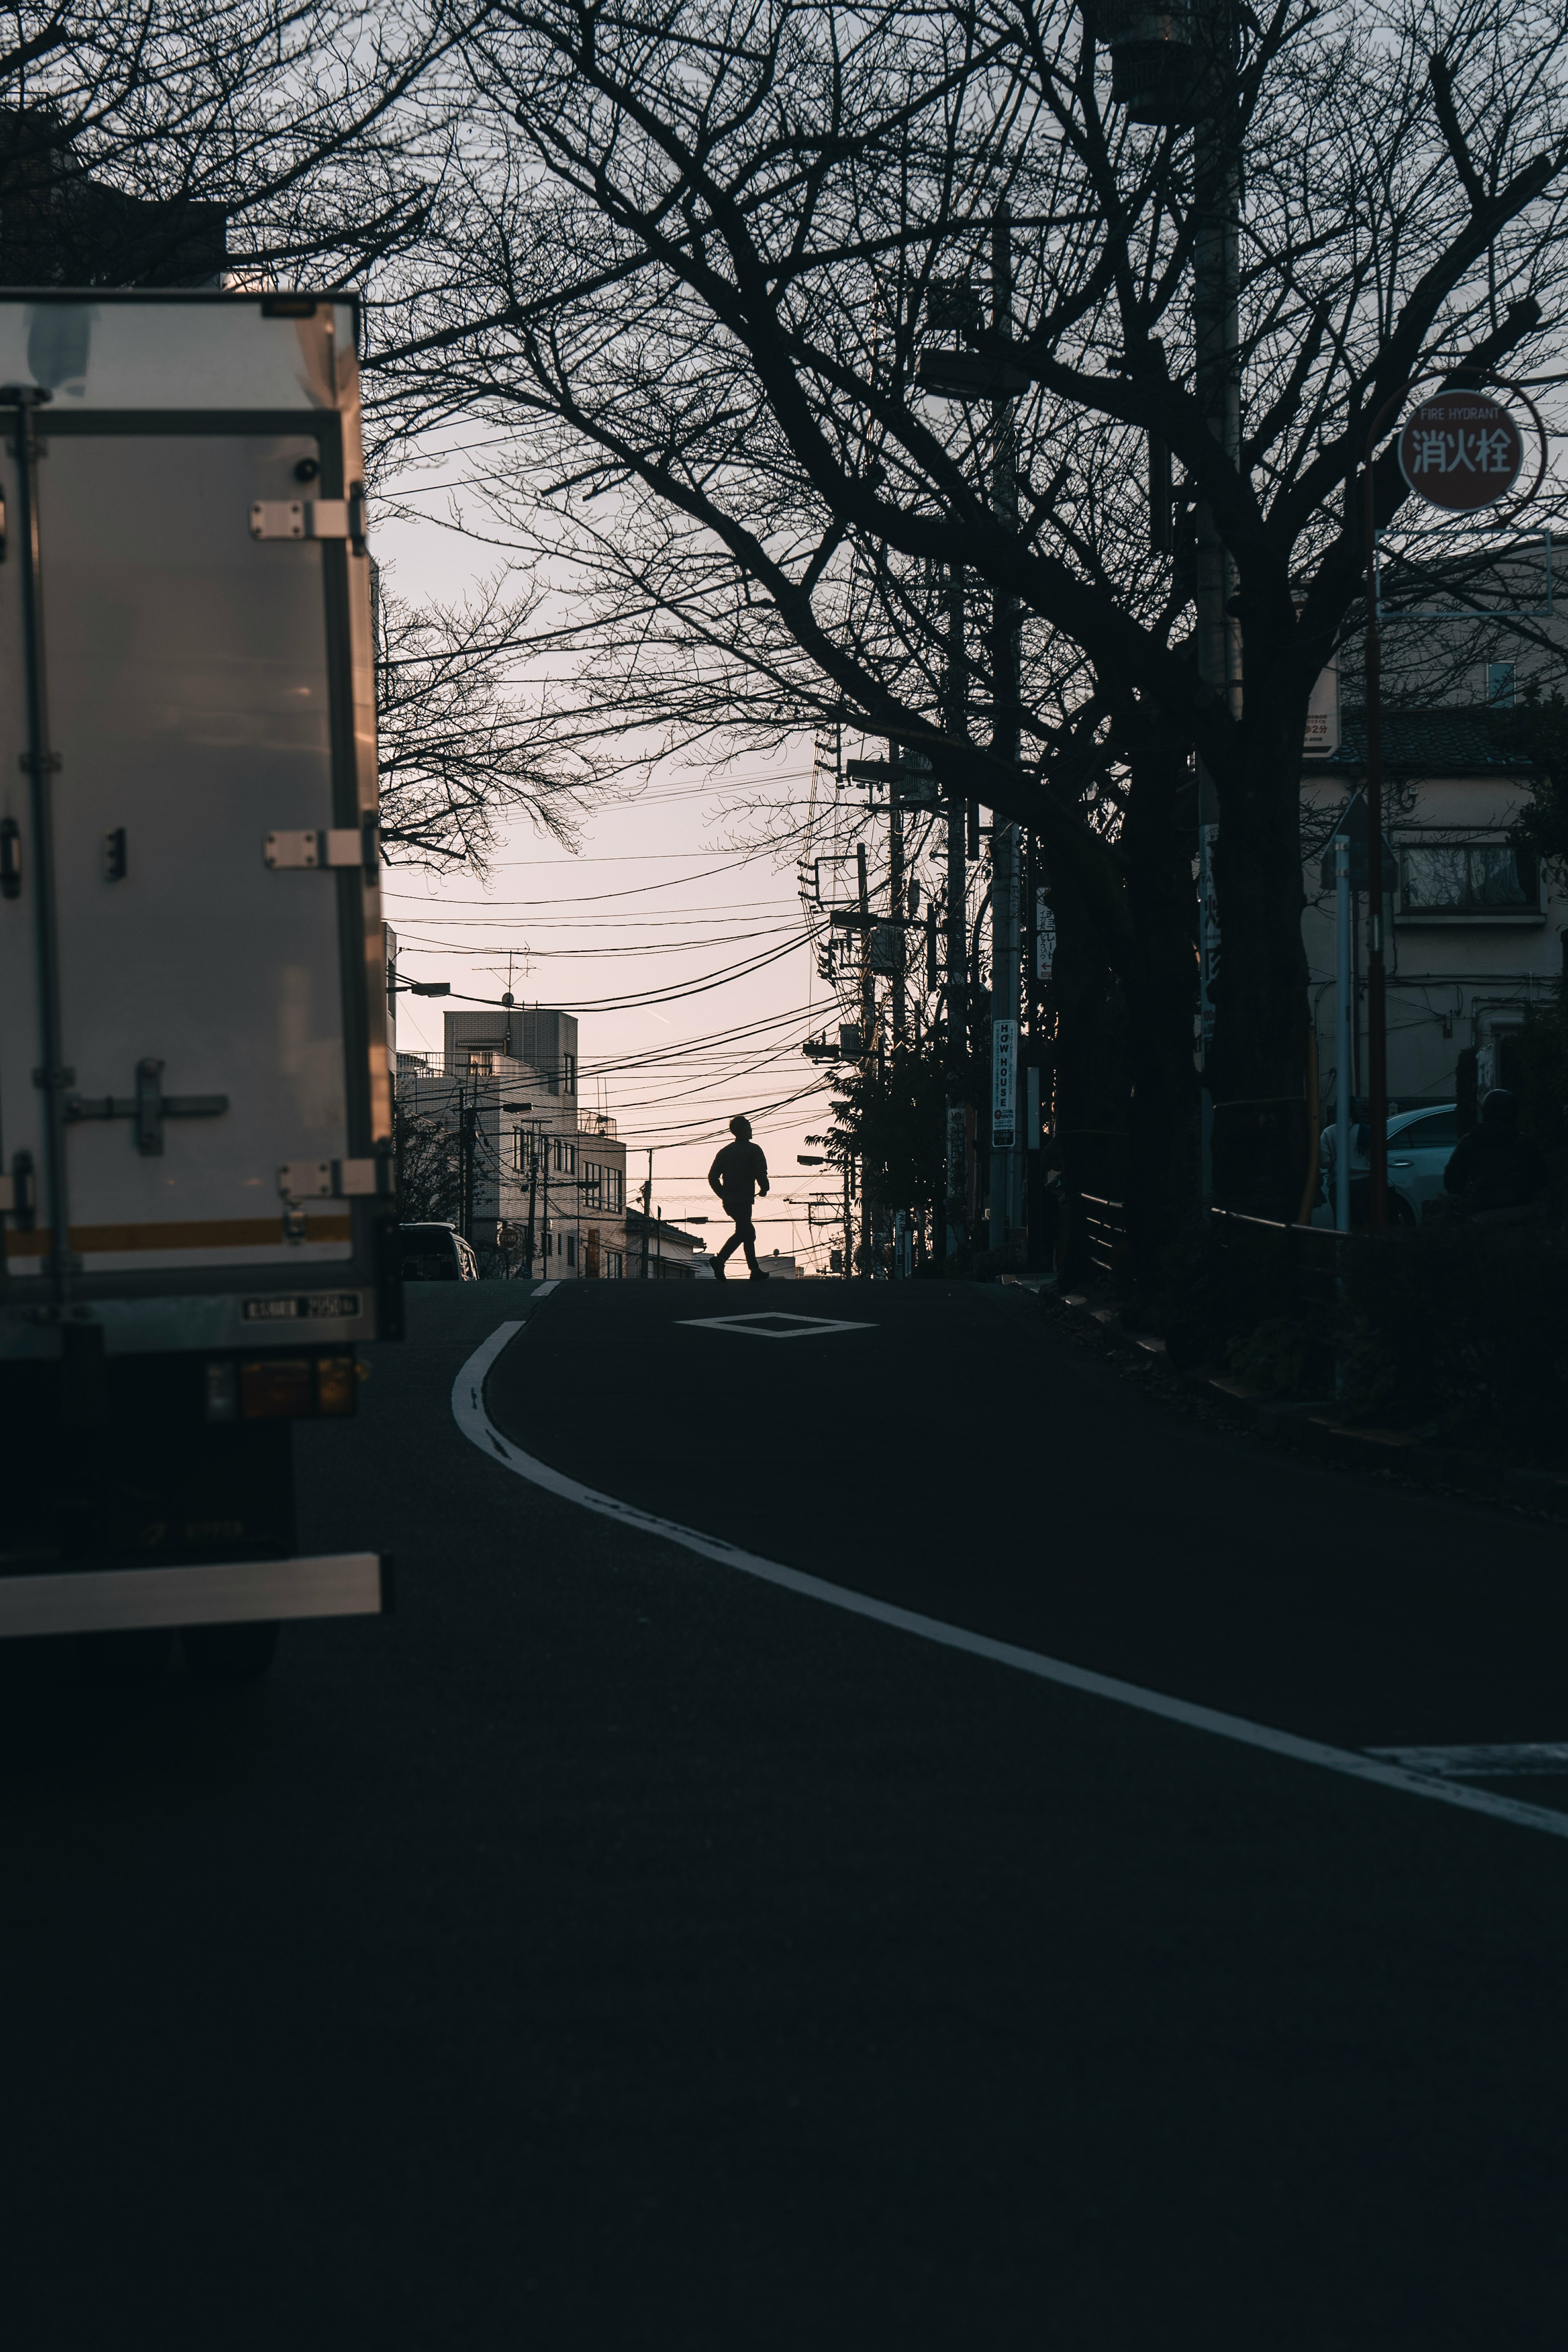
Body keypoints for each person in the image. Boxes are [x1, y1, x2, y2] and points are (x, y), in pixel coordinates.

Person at [1442, 1088, 1548, 1221]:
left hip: (1484, 1212)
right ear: (1514, 1112)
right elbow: (1542, 1176)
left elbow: (1453, 1178)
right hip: (1522, 1210)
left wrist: (1463, 1194)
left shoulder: (1468, 1142)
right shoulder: (1525, 1142)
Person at [708, 1115, 770, 1280]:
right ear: (744, 1130)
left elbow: (712, 1176)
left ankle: (754, 1270)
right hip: (743, 1199)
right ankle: (720, 1259)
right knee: (746, 1231)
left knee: (746, 1231)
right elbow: (760, 1172)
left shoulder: (725, 1151)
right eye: (749, 1127)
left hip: (729, 1202)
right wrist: (765, 1189)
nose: (751, 1130)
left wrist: (723, 1194)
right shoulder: (754, 1150)